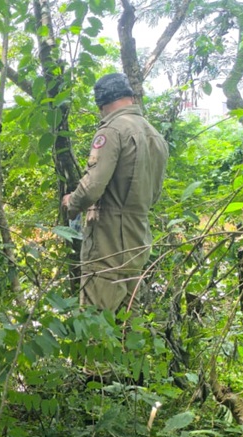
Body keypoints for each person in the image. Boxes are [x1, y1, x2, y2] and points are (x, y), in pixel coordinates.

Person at [61, 72, 169, 313]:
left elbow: (93, 186)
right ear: (130, 97)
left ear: (101, 105)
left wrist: (72, 202)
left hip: (108, 239)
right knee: (127, 325)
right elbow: (155, 195)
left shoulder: (112, 130)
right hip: (139, 237)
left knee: (95, 322)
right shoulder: (156, 135)